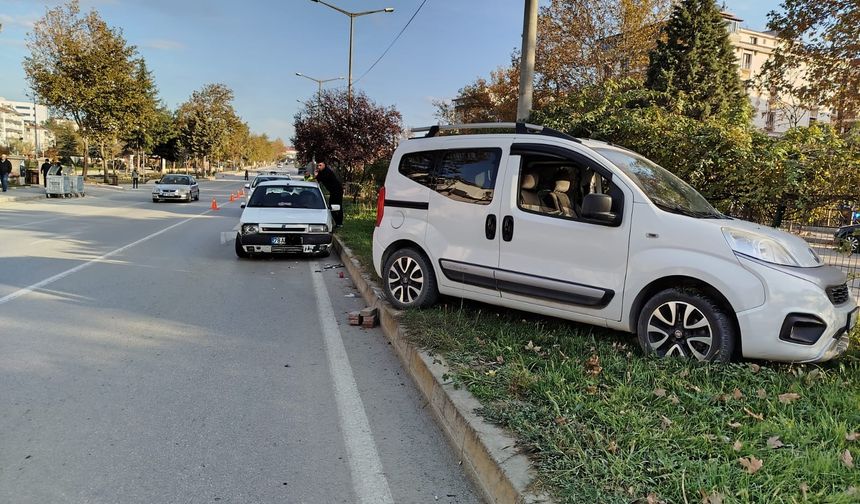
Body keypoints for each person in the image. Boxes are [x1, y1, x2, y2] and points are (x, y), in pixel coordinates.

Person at [314, 161, 343, 226]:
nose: (319, 167)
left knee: (337, 206)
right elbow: (317, 181)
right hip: (332, 191)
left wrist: (316, 175)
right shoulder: (321, 172)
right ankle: (337, 222)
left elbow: (321, 178)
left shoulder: (327, 171)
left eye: (320, 165)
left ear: (324, 165)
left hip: (337, 190)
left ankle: (339, 223)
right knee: (331, 206)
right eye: (318, 165)